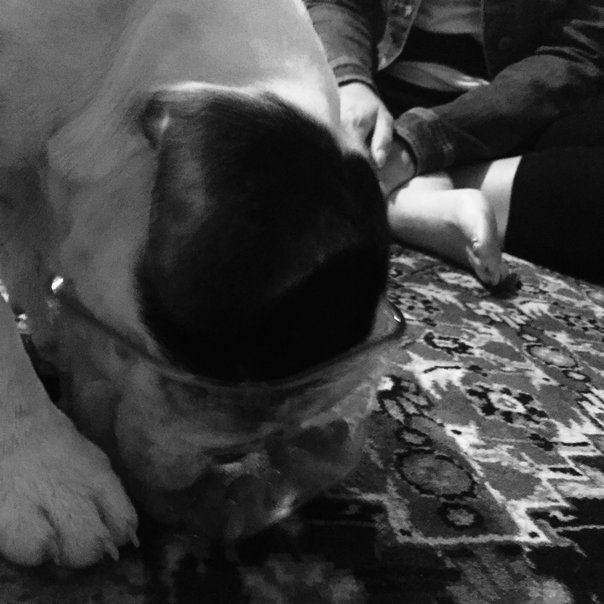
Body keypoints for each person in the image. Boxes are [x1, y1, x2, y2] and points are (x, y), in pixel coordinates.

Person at [304, 0, 604, 286]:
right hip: (376, 94)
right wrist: (349, 81)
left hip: (502, 116)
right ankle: (403, 199)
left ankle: (389, 193)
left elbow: (575, 54)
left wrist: (418, 144)